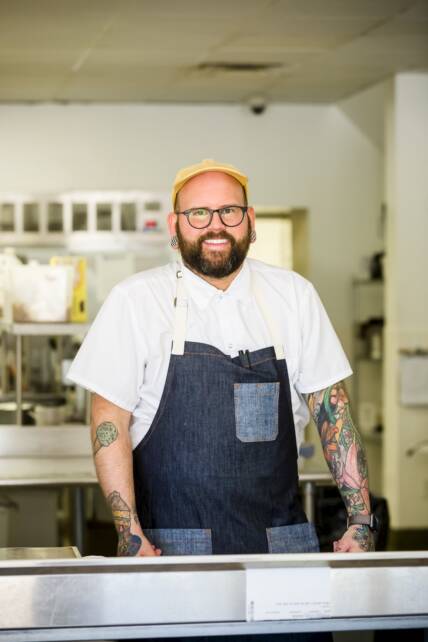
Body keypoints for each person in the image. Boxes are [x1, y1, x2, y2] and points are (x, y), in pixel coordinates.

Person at [68, 159, 375, 561]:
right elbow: (109, 422)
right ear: (174, 226)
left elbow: (333, 413)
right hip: (169, 549)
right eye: (198, 213)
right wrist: (130, 532)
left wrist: (361, 519)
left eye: (229, 211)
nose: (216, 225)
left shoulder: (294, 296)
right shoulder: (136, 301)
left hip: (280, 547)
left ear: (249, 220)